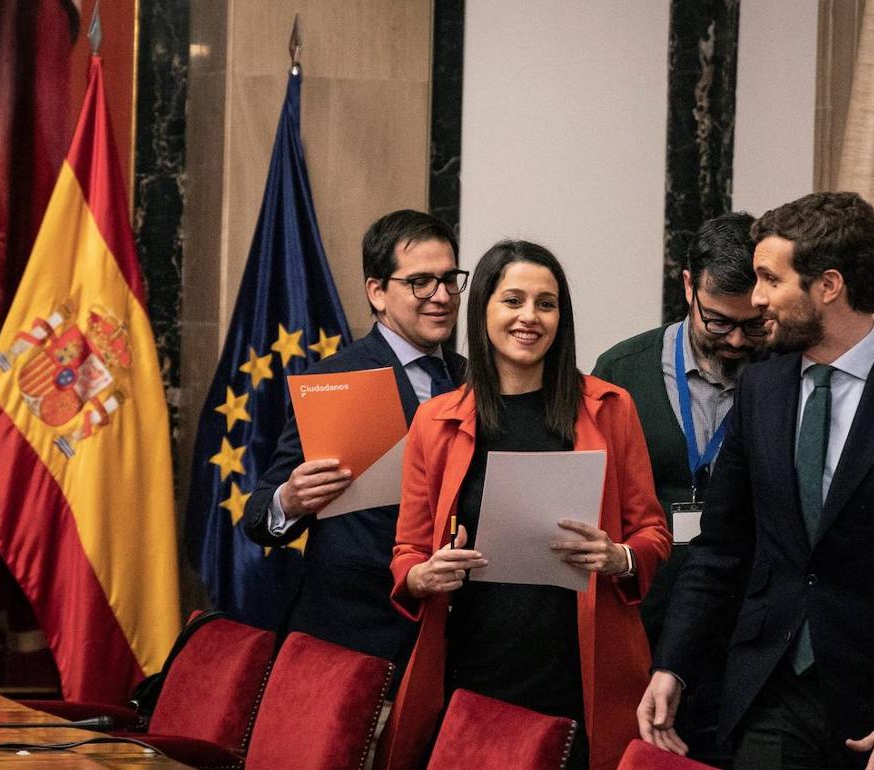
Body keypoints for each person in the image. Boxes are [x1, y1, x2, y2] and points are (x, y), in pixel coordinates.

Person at [639, 192, 874, 770]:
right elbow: (721, 547)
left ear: (828, 286)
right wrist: (673, 663)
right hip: (770, 693)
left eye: (769, 279)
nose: (756, 300)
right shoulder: (761, 389)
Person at [375, 240, 672, 770]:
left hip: (580, 669)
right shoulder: (438, 420)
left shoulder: (609, 407)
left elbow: (652, 531)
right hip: (472, 665)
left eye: (546, 303)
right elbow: (406, 551)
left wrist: (619, 556)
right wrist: (423, 575)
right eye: (512, 300)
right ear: (483, 308)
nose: (529, 317)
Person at [243, 210, 468, 681]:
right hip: (356, 639)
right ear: (377, 292)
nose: (442, 297)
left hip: (458, 643)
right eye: (421, 282)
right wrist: (292, 499)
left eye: (450, 280)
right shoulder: (335, 380)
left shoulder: (476, 380)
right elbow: (260, 516)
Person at [592, 211, 766, 765]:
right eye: (716, 323)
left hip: (745, 624)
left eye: (751, 324)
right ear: (687, 284)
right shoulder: (622, 370)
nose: (736, 340)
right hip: (644, 616)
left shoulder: (783, 375)